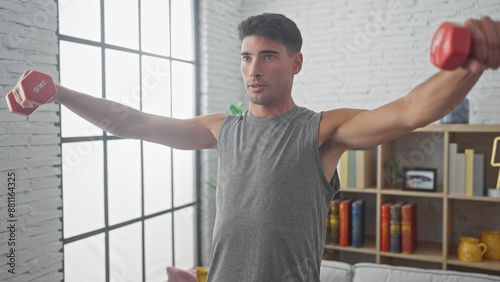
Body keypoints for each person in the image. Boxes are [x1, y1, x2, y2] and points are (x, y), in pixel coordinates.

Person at [12, 12, 500, 281]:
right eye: (247, 57)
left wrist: (471, 63)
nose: (253, 69)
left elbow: (411, 110)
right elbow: (128, 121)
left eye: (268, 56)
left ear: (296, 63)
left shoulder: (322, 131)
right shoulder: (221, 129)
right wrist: (57, 91)